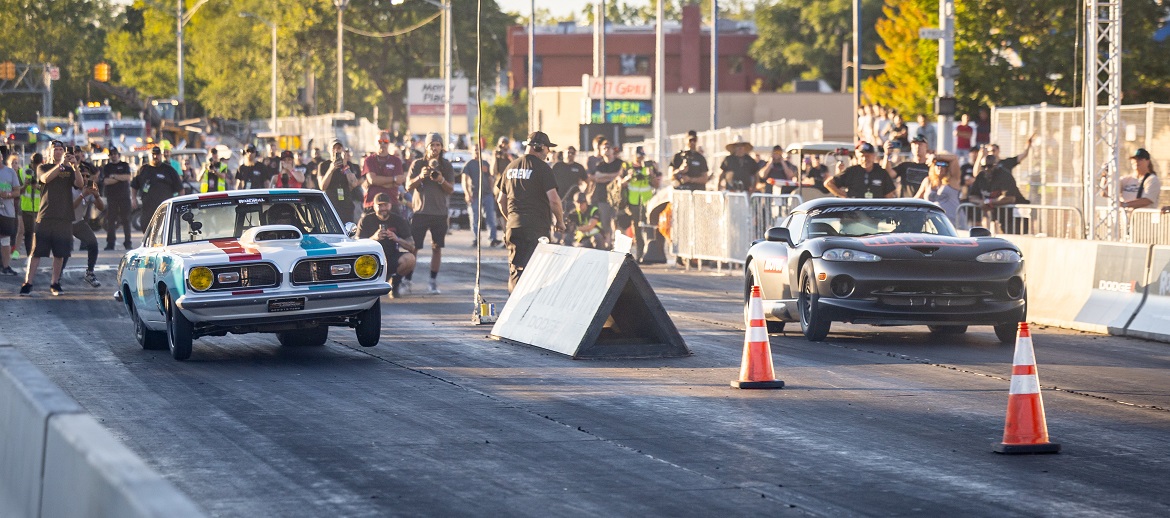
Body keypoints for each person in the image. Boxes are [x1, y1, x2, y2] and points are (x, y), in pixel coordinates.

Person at [496, 131, 564, 292]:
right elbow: (554, 199)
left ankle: (514, 306)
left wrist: (511, 219)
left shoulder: (511, 166)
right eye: (547, 148)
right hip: (536, 228)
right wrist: (560, 221)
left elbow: (500, 200)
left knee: (516, 271)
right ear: (539, 147)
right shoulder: (542, 168)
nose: (548, 153)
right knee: (539, 271)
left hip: (513, 227)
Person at [21, 141, 84, 296]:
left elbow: (80, 184)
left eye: (61, 149)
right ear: (50, 152)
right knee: (37, 252)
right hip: (46, 215)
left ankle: (55, 283)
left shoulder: (69, 169)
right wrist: (60, 165)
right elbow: (46, 179)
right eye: (56, 149)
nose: (59, 152)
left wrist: (75, 166)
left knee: (60, 253)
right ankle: (28, 283)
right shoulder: (43, 167)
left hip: (64, 216)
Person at [405, 133, 455, 294]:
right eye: (432, 145)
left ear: (442, 147)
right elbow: (408, 186)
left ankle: (432, 282)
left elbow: (451, 189)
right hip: (420, 212)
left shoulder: (446, 165)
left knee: (437, 248)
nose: (435, 148)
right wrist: (421, 176)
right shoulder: (418, 164)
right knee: (414, 247)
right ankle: (407, 280)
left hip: (439, 213)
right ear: (426, 147)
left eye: (438, 145)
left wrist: (440, 180)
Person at [356, 192, 417, 298]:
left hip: (391, 257)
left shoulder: (398, 220)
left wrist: (397, 239)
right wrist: (373, 238)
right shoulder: (365, 220)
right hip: (371, 260)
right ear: (373, 206)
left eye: (386, 205)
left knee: (410, 259)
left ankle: (394, 283)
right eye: (380, 205)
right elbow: (356, 246)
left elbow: (412, 246)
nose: (383, 208)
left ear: (390, 205)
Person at [612, 147, 660, 259]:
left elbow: (656, 184)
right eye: (638, 156)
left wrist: (651, 174)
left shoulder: (648, 166)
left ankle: (649, 252)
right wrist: (628, 177)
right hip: (633, 202)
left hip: (647, 201)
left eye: (642, 156)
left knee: (648, 226)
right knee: (637, 228)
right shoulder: (627, 166)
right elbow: (620, 183)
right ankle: (639, 252)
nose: (640, 158)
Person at [66, 161, 104, 288]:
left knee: (93, 243)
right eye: (83, 175)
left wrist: (97, 196)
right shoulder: (70, 189)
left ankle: (90, 272)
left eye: (88, 176)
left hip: (78, 222)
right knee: (65, 249)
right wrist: (83, 195)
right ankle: (57, 276)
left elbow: (101, 208)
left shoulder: (89, 189)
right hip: (65, 222)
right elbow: (70, 209)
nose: (86, 179)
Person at [131, 146, 183, 231]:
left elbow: (180, 189)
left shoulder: (169, 170)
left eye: (157, 154)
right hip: (147, 209)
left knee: (163, 232)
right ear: (149, 155)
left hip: (165, 208)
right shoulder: (143, 169)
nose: (155, 156)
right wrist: (133, 199)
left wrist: (179, 204)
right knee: (147, 232)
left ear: (161, 155)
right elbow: (134, 186)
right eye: (153, 154)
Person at [461, 145, 501, 248]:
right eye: (475, 150)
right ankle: (476, 238)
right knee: (475, 218)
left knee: (490, 217)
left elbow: (490, 178)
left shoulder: (485, 163)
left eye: (478, 150)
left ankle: (493, 238)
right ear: (471, 151)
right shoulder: (468, 165)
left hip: (487, 194)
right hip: (474, 194)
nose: (476, 152)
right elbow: (464, 180)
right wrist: (467, 193)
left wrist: (492, 191)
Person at [825, 142, 896, 199]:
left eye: (868, 156)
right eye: (862, 156)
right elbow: (829, 183)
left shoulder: (881, 173)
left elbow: (889, 195)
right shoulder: (852, 171)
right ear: (858, 157)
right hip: (855, 212)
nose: (865, 159)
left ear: (873, 156)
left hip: (875, 211)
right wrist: (845, 195)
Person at [315, 143, 361, 224]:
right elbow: (322, 186)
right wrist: (331, 169)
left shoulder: (348, 164)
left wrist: (345, 166)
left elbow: (354, 184)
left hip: (346, 206)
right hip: (330, 206)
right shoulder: (323, 165)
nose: (336, 150)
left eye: (339, 148)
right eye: (334, 148)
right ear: (329, 150)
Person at [361, 137, 406, 214]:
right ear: (375, 142)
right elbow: (372, 180)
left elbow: (399, 181)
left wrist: (378, 182)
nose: (382, 144)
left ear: (389, 143)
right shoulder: (369, 160)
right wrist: (393, 179)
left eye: (385, 141)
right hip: (372, 204)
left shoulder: (396, 161)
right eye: (380, 141)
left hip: (392, 203)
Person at [591, 140, 623, 249]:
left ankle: (617, 244)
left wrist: (606, 177)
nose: (606, 150)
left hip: (617, 198)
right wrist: (613, 177)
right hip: (603, 197)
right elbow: (597, 178)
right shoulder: (599, 164)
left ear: (612, 150)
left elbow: (621, 175)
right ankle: (608, 244)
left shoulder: (619, 163)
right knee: (605, 223)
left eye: (608, 148)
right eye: (604, 148)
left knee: (617, 221)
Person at [99, 147, 133, 250]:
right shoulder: (107, 167)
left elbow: (127, 177)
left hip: (124, 197)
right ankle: (110, 243)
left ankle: (128, 242)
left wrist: (114, 176)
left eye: (115, 153)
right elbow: (106, 181)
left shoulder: (124, 165)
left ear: (118, 155)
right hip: (112, 197)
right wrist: (119, 178)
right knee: (111, 220)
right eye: (111, 154)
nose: (113, 155)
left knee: (126, 220)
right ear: (109, 156)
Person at [914, 153, 962, 225]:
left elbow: (954, 158)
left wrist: (935, 156)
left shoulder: (953, 180)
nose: (940, 167)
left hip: (953, 222)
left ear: (948, 168)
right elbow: (916, 199)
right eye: (938, 164)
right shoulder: (928, 181)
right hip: (932, 222)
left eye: (944, 165)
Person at [18, 153, 42, 257]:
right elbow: (17, 190)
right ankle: (30, 256)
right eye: (34, 164)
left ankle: (37, 254)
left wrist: (38, 187)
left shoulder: (44, 171)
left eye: (38, 164)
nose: (36, 167)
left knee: (38, 234)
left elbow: (48, 190)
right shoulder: (22, 171)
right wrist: (25, 185)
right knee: (28, 233)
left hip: (40, 208)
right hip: (26, 207)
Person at [0, 154, 19, 276]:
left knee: (5, 239)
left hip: (7, 212)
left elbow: (17, 191)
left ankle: (6, 266)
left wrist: (6, 195)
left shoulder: (10, 172)